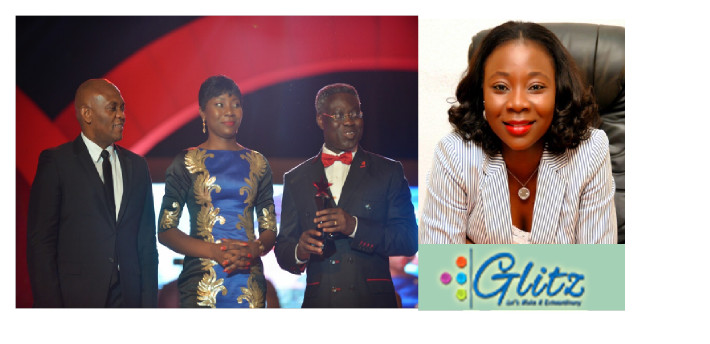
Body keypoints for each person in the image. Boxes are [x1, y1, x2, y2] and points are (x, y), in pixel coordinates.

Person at [420, 21, 617, 244]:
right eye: (501, 87)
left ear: (558, 91)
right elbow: (441, 274)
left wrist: (474, 256)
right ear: (481, 92)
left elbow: (601, 275)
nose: (517, 103)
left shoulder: (590, 150)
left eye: (535, 87)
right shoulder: (455, 154)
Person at [275, 83, 418, 307]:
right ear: (321, 120)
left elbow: (408, 240)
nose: (349, 121)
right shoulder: (296, 179)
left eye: (355, 114)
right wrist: (299, 250)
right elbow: (284, 251)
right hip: (321, 304)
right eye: (339, 115)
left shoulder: (388, 172)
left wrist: (353, 226)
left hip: (372, 305)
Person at [27, 78, 158, 307]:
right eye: (113, 108)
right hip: (74, 300)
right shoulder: (57, 162)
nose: (122, 115)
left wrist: (148, 306)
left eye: (122, 107)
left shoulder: (137, 166)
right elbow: (41, 244)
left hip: (129, 300)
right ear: (87, 114)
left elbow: (146, 241)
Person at [157, 75, 276, 308]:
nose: (229, 111)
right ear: (202, 112)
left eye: (236, 104)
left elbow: (269, 228)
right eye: (220, 104)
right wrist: (214, 251)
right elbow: (166, 230)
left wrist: (255, 248)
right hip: (202, 284)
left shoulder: (258, 163)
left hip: (248, 281)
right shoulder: (186, 162)